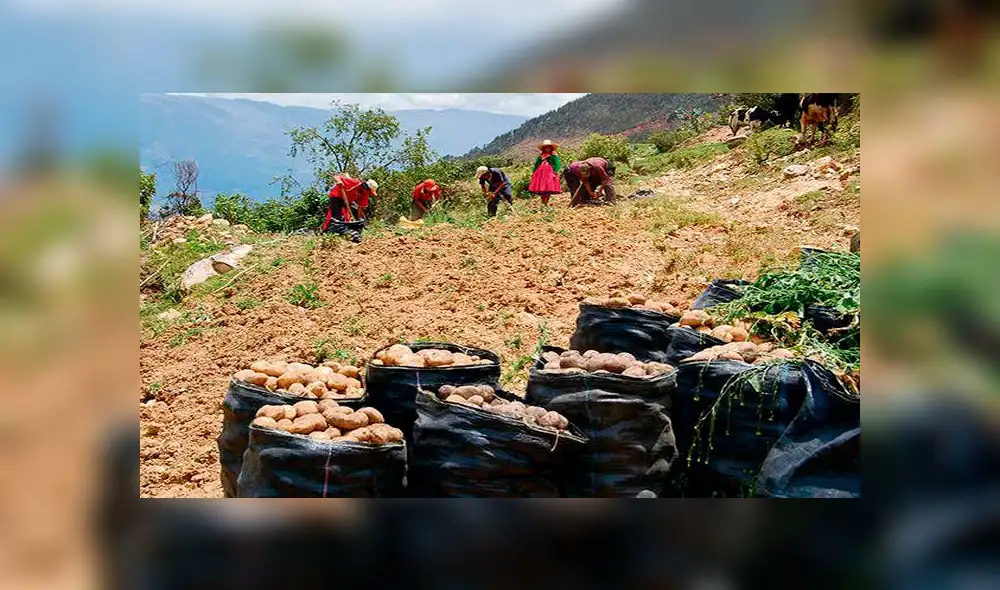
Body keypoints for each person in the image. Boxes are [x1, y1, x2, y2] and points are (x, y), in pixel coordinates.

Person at [321, 174, 378, 242]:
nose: (369, 193)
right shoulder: (354, 182)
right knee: (336, 219)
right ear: (365, 188)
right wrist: (339, 181)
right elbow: (336, 176)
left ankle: (355, 230)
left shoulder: (364, 195)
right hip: (336, 197)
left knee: (357, 214)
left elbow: (360, 209)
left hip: (348, 201)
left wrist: (359, 219)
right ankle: (332, 232)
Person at [528, 139, 562, 205]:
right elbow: (536, 165)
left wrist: (555, 172)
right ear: (543, 148)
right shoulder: (540, 156)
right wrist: (533, 172)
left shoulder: (554, 156)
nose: (547, 148)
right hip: (540, 174)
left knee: (548, 188)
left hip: (549, 173)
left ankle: (546, 203)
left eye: (548, 146)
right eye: (546, 147)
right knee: (541, 188)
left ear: (551, 147)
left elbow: (557, 164)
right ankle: (543, 203)